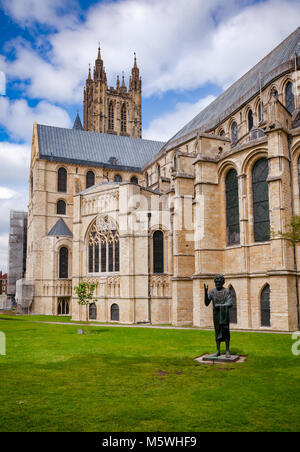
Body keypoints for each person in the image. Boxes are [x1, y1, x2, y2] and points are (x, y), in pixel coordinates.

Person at [204, 274, 232, 358]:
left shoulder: (227, 291)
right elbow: (206, 303)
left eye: (219, 281)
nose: (218, 282)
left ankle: (227, 350)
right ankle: (218, 350)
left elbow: (230, 303)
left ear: (223, 282)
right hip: (216, 315)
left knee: (226, 331)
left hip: (224, 315)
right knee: (217, 332)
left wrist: (219, 305)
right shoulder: (212, 292)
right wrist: (205, 293)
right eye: (216, 281)